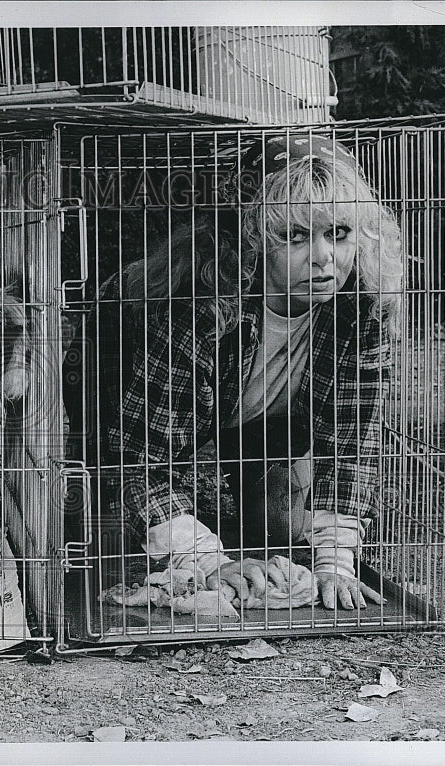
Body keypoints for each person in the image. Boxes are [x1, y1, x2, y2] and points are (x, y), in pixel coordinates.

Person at [64, 133, 403, 610]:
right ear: (254, 239)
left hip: (258, 412)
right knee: (102, 527)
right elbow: (142, 456)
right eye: (297, 236)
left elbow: (352, 440)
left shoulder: (361, 307)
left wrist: (335, 562)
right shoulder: (198, 302)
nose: (325, 257)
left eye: (338, 233)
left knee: (282, 531)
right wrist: (206, 559)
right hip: (123, 385)